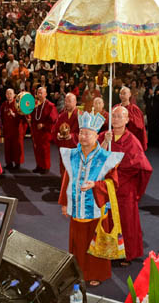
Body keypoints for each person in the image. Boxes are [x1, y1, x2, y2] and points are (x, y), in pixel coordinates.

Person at [58, 111, 123, 287]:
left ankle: (96, 273)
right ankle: (77, 272)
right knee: (77, 242)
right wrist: (64, 202)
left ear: (96, 136)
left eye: (87, 133)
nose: (83, 136)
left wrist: (95, 185)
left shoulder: (105, 158)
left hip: (96, 207)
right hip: (77, 206)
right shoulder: (72, 155)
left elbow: (113, 183)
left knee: (94, 242)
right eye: (81, 133)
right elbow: (67, 178)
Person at [99, 106, 152, 265]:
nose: (116, 119)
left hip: (124, 186)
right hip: (106, 187)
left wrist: (119, 171)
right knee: (107, 219)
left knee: (126, 220)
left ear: (127, 120)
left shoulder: (132, 141)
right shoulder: (104, 136)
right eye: (114, 116)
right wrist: (104, 143)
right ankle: (106, 250)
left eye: (120, 117)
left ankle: (127, 253)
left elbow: (143, 167)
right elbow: (93, 157)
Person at [30, 87, 57, 174]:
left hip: (45, 132)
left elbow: (54, 119)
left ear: (46, 94)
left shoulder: (50, 105)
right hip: (36, 131)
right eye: (38, 93)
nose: (39, 95)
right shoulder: (35, 105)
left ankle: (46, 167)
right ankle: (39, 165)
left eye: (41, 93)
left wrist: (43, 125)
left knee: (44, 149)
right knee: (37, 149)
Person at [51, 93, 79, 177]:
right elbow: (55, 129)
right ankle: (64, 186)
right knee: (63, 167)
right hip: (63, 146)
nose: (67, 103)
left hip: (74, 148)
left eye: (69, 101)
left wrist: (72, 136)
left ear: (75, 102)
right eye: (66, 101)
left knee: (74, 168)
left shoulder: (80, 115)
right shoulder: (62, 115)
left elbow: (84, 133)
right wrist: (58, 135)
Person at [115, 86, 148, 151]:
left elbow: (139, 126)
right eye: (120, 93)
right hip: (117, 138)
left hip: (130, 139)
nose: (122, 95)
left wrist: (129, 119)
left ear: (129, 94)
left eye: (124, 93)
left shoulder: (134, 109)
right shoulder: (116, 107)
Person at [1, 89, 26, 170]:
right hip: (7, 129)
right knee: (8, 147)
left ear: (14, 95)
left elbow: (22, 117)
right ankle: (9, 163)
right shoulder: (4, 104)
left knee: (16, 147)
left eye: (10, 93)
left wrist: (14, 114)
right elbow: (1, 116)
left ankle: (17, 163)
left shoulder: (18, 104)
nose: (9, 95)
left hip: (16, 129)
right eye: (7, 93)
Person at [144, 75, 159, 146]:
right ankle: (150, 141)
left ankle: (157, 142)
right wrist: (149, 95)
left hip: (157, 110)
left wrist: (153, 95)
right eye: (152, 79)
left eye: (155, 79)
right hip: (149, 109)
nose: (154, 80)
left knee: (157, 125)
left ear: (157, 80)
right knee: (150, 126)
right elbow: (145, 97)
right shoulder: (148, 87)